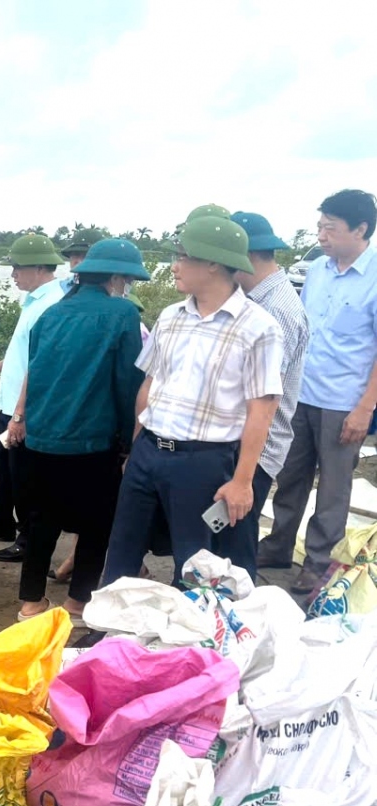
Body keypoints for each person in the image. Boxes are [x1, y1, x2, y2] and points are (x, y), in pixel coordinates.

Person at [103, 214, 282, 584]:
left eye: (183, 256)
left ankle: (198, 638)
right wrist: (137, 448)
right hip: (150, 451)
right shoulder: (171, 316)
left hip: (203, 462)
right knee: (122, 549)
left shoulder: (258, 327)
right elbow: (150, 385)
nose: (175, 266)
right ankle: (106, 631)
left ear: (214, 263)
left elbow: (262, 411)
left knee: (197, 564)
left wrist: (243, 481)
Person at [6, 239, 146, 626]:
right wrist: (126, 441)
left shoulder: (51, 314)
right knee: (97, 524)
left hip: (43, 437)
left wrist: (25, 419)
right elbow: (127, 383)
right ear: (117, 278)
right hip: (92, 439)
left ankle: (31, 604)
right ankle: (77, 604)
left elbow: (35, 373)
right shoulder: (121, 315)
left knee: (41, 523)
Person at [258, 189, 377, 593]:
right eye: (320, 227)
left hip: (345, 401)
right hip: (302, 394)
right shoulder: (320, 271)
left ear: (360, 229)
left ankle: (318, 562)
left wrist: (365, 408)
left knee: (333, 487)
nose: (322, 236)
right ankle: (276, 545)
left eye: (331, 228)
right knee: (289, 475)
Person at [217, 212, 309, 580]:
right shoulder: (259, 298)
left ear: (246, 256)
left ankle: (239, 616)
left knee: (236, 540)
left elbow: (263, 398)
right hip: (241, 440)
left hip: (255, 445)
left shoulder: (276, 311)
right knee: (224, 536)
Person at [0, 234, 68, 560]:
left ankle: (27, 539)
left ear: (39, 267)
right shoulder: (34, 299)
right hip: (8, 401)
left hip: (23, 408)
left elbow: (42, 362)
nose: (12, 274)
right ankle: (1, 522)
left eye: (17, 268)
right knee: (4, 469)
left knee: (26, 476)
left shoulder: (52, 303)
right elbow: (23, 348)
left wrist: (20, 415)